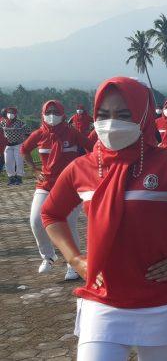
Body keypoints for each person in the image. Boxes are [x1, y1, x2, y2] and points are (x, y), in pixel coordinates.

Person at [40, 76, 167, 360]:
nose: (111, 123)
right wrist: (75, 259)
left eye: (124, 115)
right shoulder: (80, 168)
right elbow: (51, 213)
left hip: (161, 300)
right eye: (103, 115)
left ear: (143, 116)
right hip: (103, 297)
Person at [21, 100, 92, 279]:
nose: (52, 114)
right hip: (46, 184)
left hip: (70, 186)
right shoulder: (39, 135)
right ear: (43, 114)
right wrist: (35, 169)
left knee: (68, 223)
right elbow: (24, 150)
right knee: (36, 220)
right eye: (48, 111)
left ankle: (74, 264)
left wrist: (84, 168)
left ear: (62, 113)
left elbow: (92, 149)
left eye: (55, 111)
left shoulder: (72, 133)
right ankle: (48, 255)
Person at [2, 106, 28, 185]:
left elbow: (28, 132)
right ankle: (11, 178)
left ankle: (19, 178)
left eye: (12, 113)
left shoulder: (20, 123)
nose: (10, 114)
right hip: (8, 146)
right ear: (6, 114)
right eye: (9, 112)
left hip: (18, 145)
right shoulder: (3, 123)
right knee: (8, 162)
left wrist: (25, 142)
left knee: (19, 162)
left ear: (16, 114)